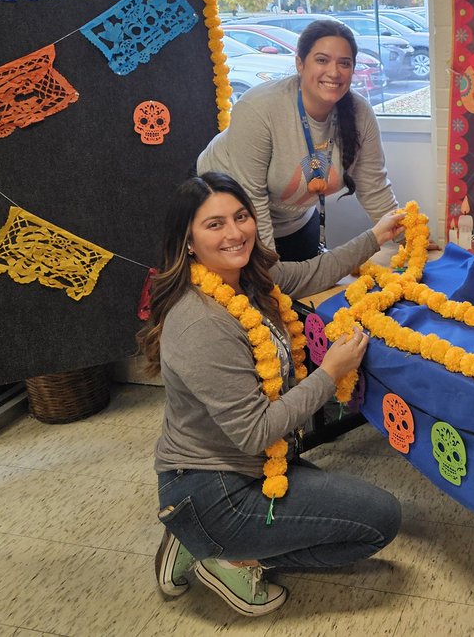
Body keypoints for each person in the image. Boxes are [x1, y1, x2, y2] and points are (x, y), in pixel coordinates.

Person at [137, 172, 404, 617]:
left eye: (240, 217)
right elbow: (255, 432)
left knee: (364, 509)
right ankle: (222, 556)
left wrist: (375, 236)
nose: (235, 232)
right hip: (215, 487)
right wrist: (331, 372)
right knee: (380, 524)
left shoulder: (249, 275)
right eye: (214, 224)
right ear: (187, 241)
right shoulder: (201, 323)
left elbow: (314, 270)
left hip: (260, 466)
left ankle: (201, 539)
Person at [197, 19, 399, 261]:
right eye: (322, 60)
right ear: (300, 63)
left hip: (295, 221)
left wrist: (408, 238)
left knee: (311, 293)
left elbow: (374, 186)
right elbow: (252, 200)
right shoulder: (259, 107)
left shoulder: (360, 114)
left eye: (344, 63)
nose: (334, 72)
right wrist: (268, 269)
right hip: (231, 222)